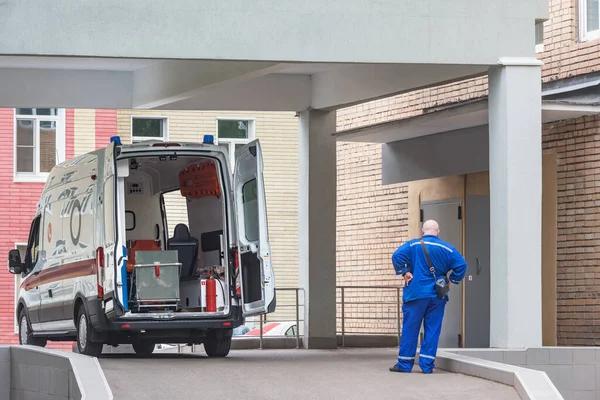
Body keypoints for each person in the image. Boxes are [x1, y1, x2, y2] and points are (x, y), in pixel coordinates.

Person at [389, 219, 467, 374]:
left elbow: (396, 256)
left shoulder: (413, 245)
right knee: (433, 329)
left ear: (423, 231)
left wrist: (405, 272)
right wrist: (451, 282)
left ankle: (404, 364)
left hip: (415, 295)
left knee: (411, 328)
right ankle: (426, 365)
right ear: (438, 231)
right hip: (437, 296)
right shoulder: (447, 248)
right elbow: (462, 265)